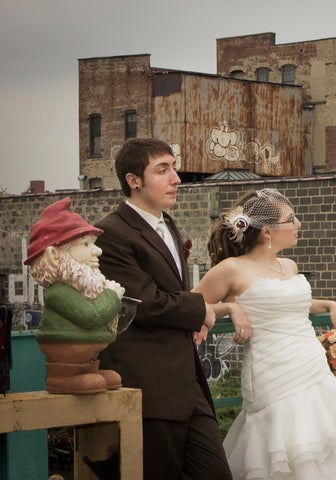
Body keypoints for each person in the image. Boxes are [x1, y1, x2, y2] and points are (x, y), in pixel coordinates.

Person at [193, 188, 336, 480]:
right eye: (290, 219)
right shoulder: (231, 269)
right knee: (287, 451)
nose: (298, 224)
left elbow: (292, 304)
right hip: (272, 374)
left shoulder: (289, 266)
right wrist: (229, 308)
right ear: (267, 231)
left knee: (326, 448)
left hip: (311, 367)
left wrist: (330, 304)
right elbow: (189, 304)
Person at [94, 137, 236, 480]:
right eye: (163, 170)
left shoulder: (168, 224)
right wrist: (203, 308)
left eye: (174, 167)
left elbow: (169, 294)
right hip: (149, 386)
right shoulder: (110, 232)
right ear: (133, 180)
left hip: (188, 385)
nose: (177, 178)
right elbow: (143, 302)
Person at [25, 197, 125, 395]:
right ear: (55, 255)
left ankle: (88, 370)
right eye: (85, 245)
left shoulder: (81, 288)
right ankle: (62, 378)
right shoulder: (58, 293)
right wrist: (112, 296)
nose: (98, 251)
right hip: (65, 353)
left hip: (87, 354)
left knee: (98, 379)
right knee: (86, 379)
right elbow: (90, 317)